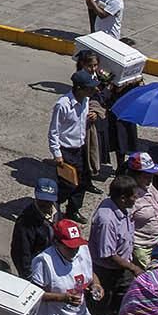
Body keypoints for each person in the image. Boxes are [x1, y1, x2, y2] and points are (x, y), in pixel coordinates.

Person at [29, 218, 100, 315]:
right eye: (69, 247)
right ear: (56, 243)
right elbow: (34, 294)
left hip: (79, 314)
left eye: (76, 246)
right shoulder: (44, 261)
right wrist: (62, 298)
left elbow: (90, 272)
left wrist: (96, 284)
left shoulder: (83, 250)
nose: (75, 250)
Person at [48, 71, 101, 221]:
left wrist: (93, 116)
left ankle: (73, 210)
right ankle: (52, 206)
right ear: (79, 88)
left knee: (82, 182)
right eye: (90, 88)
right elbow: (54, 131)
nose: (93, 90)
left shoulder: (85, 100)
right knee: (67, 184)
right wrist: (57, 154)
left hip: (80, 148)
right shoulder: (62, 105)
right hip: (66, 150)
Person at [88, 176, 142, 315]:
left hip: (122, 266)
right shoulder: (107, 220)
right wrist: (134, 268)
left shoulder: (120, 207)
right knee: (102, 303)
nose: (136, 197)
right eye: (133, 196)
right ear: (123, 198)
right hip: (107, 272)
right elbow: (109, 254)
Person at [10, 178, 59, 278]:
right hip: (36, 268)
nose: (45, 203)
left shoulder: (56, 210)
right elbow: (21, 252)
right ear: (36, 197)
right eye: (42, 200)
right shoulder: (25, 221)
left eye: (49, 200)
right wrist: (27, 275)